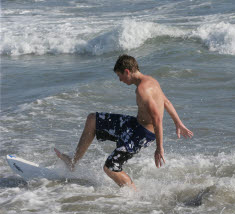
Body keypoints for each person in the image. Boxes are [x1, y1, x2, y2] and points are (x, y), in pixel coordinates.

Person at [55, 55, 193, 190]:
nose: (120, 80)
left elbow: (157, 119)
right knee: (92, 120)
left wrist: (159, 148)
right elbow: (166, 102)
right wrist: (178, 123)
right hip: (135, 125)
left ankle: (135, 195)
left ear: (127, 72)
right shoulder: (151, 81)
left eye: (120, 76)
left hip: (143, 134)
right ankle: (73, 162)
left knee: (110, 167)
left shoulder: (142, 90)